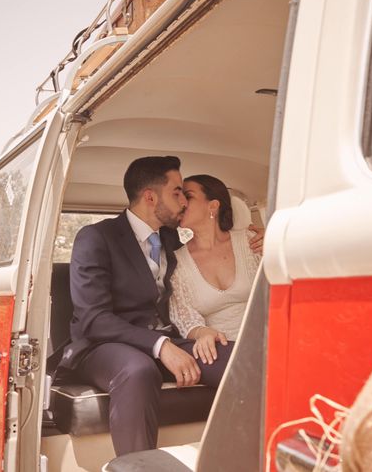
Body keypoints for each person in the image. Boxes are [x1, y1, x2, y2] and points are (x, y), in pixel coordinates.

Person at [60, 156, 262, 456]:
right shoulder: (96, 238)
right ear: (151, 197)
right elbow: (94, 318)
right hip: (104, 345)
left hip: (165, 339)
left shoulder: (171, 238)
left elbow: (216, 242)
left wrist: (261, 239)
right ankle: (136, 466)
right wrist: (162, 346)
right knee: (138, 370)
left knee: (243, 361)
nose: (182, 200)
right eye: (177, 191)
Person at [169, 175, 261, 366]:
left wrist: (277, 242)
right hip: (220, 354)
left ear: (213, 206)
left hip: (266, 340)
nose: (181, 202)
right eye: (179, 196)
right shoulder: (177, 262)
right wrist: (202, 333)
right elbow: (184, 318)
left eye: (188, 195)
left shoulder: (251, 241)